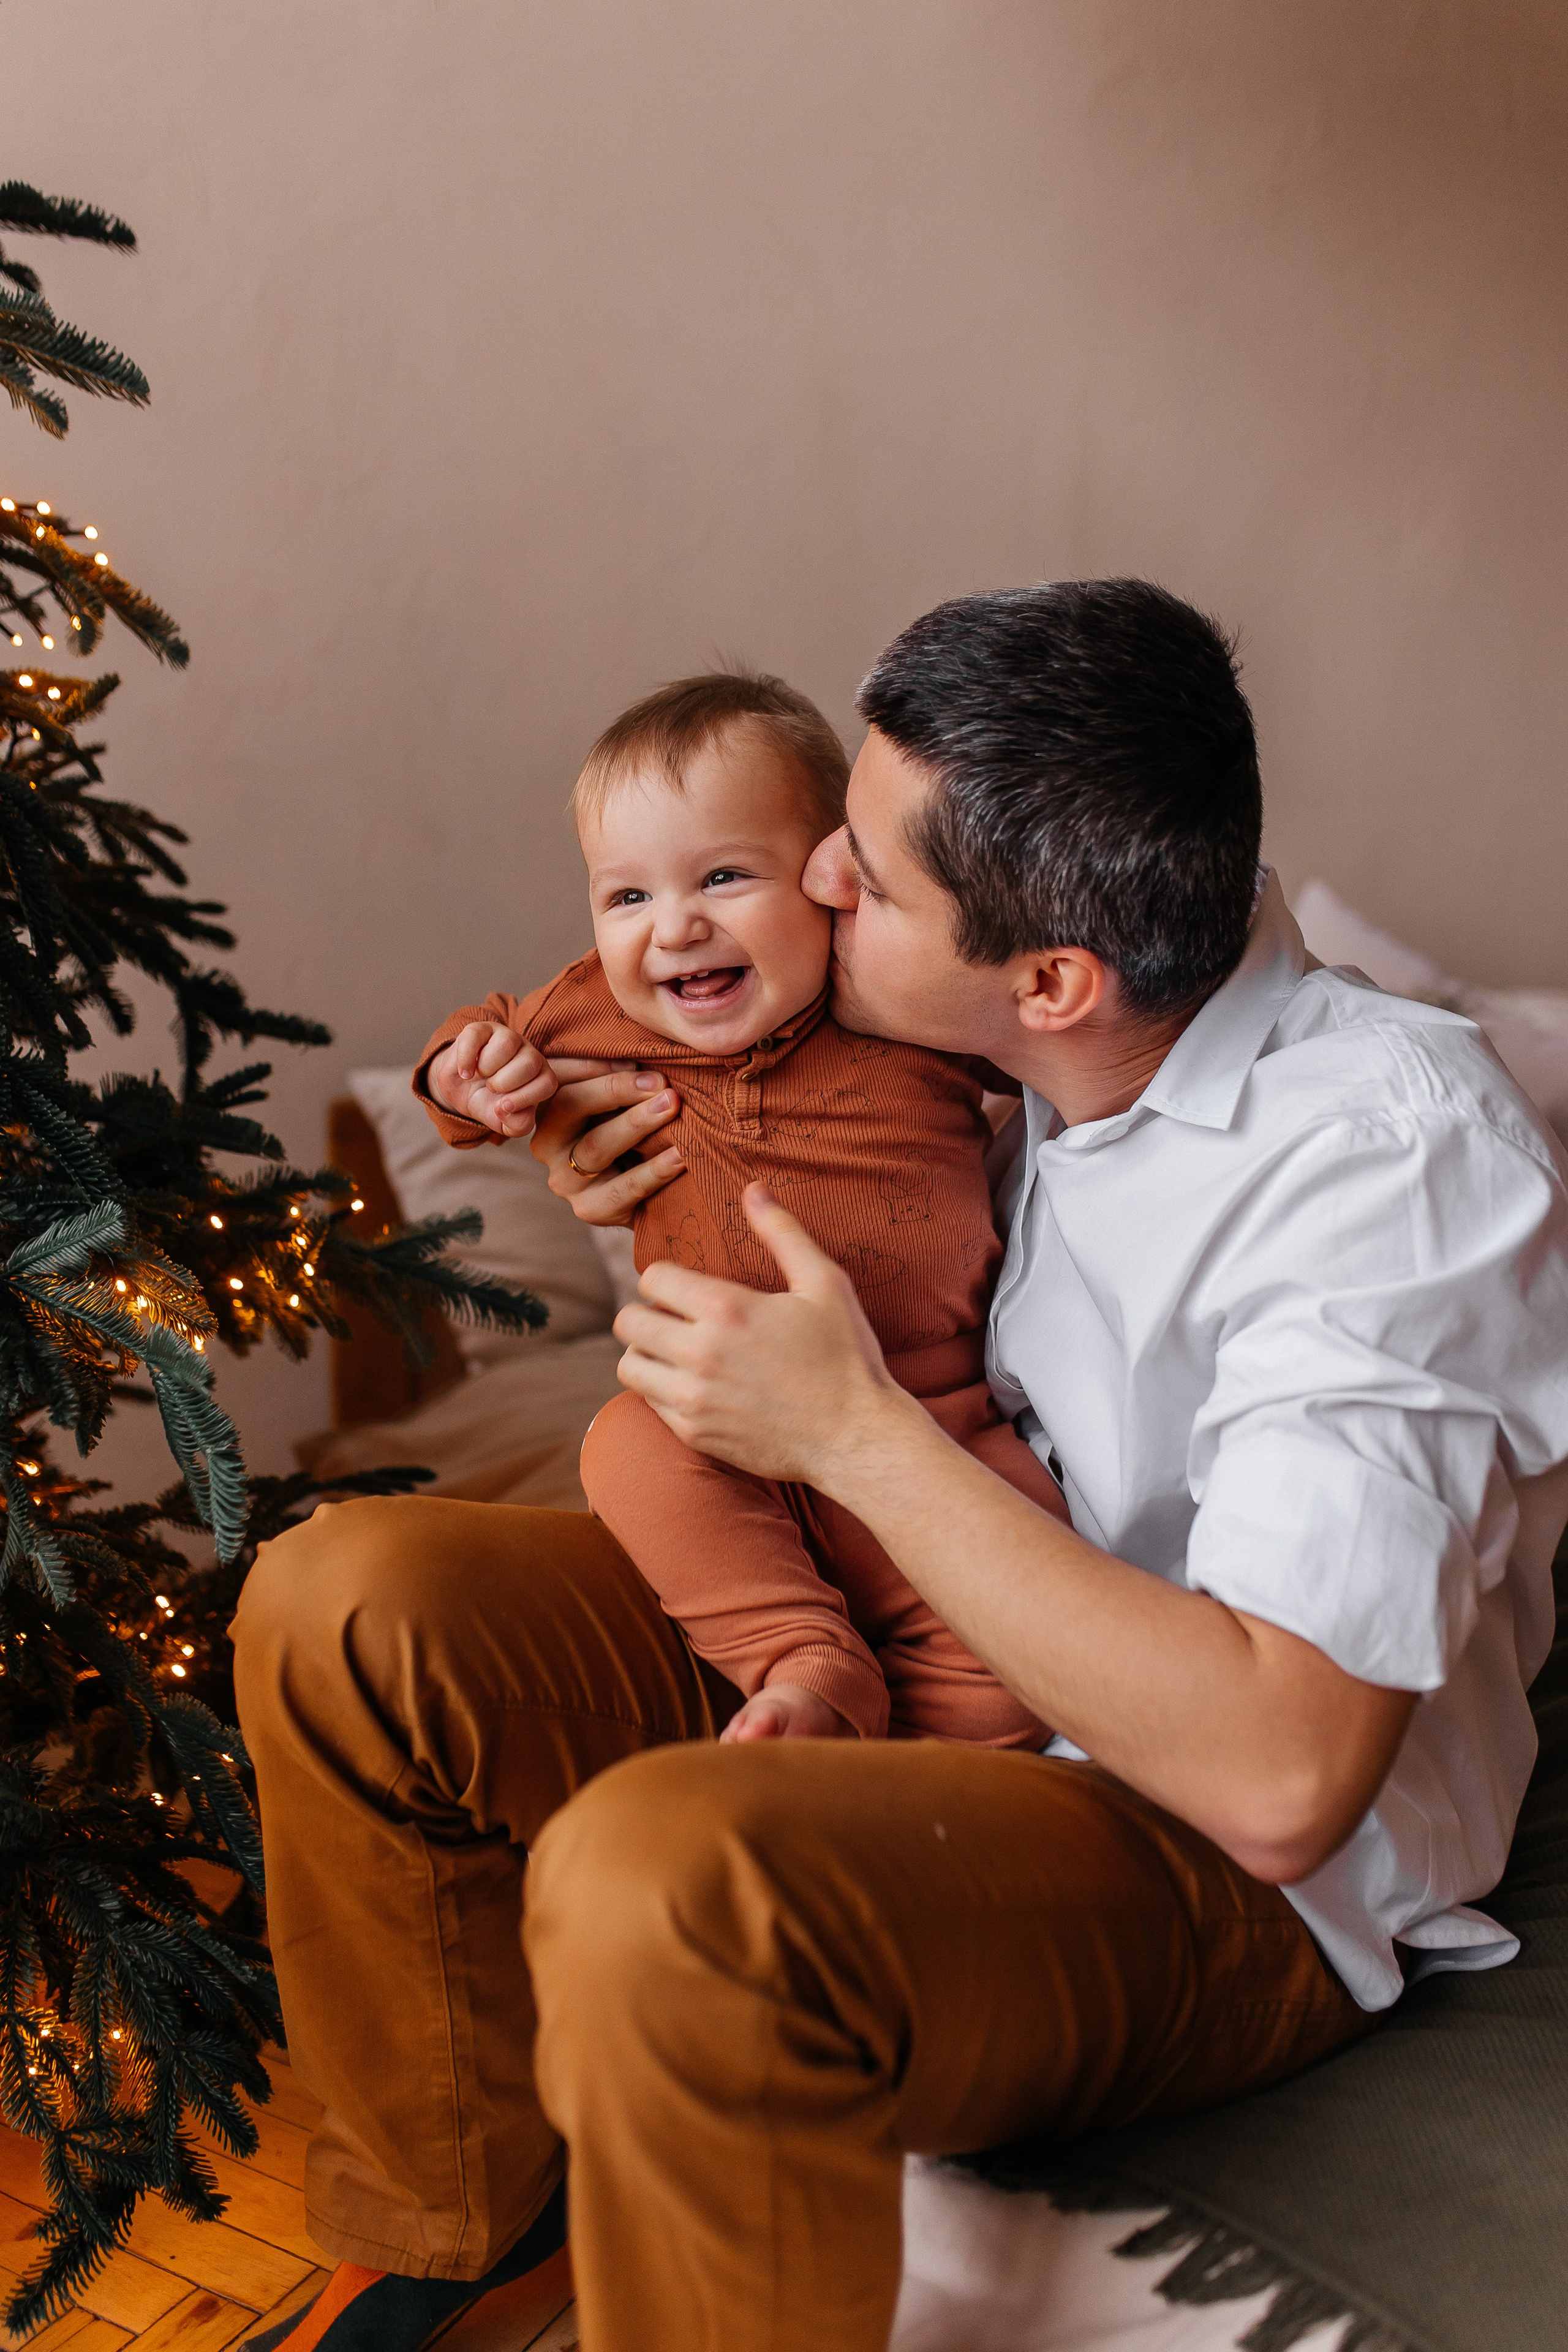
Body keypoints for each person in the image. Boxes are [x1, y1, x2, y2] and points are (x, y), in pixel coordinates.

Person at [233, 579, 1568, 2352]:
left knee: (669, 1879)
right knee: (348, 1599)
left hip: (1203, 1847)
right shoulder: (1002, 1047)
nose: (815, 884)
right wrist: (658, 1189)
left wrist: (846, 1427)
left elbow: (1279, 1773)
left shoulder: (1391, 1161)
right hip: (910, 1613)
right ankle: (461, 2241)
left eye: (860, 867)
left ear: (1055, 976)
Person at [414, 667, 1068, 1750]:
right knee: (623, 1446)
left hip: (928, 1421)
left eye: (722, 877)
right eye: (627, 895)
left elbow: (1055, 1056)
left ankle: (897, 1802)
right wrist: (466, 1077)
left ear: (830, 877)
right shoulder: (602, 1017)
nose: (672, 929)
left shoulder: (904, 1009)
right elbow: (480, 1033)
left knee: (1020, 1650)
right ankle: (801, 1665)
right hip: (710, 1424)